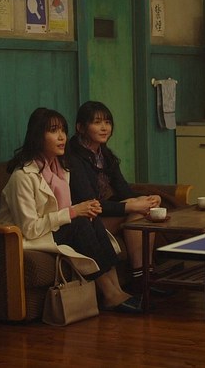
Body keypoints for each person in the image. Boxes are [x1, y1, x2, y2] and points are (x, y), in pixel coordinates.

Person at [0, 107, 142, 314]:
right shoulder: (23, 176)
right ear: (38, 136)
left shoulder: (60, 169)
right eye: (53, 131)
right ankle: (111, 295)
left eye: (63, 130)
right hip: (25, 238)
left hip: (51, 229)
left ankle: (117, 290)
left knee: (90, 219)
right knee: (80, 224)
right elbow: (29, 228)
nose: (62, 136)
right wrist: (73, 212)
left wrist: (83, 210)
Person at [66, 101, 166, 293]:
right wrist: (131, 205)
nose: (105, 128)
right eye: (97, 122)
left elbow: (124, 191)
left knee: (141, 211)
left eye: (108, 122)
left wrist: (147, 199)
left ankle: (145, 278)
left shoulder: (104, 155)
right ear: (80, 127)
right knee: (137, 211)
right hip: (85, 220)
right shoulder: (74, 158)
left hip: (102, 215)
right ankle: (143, 281)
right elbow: (89, 204)